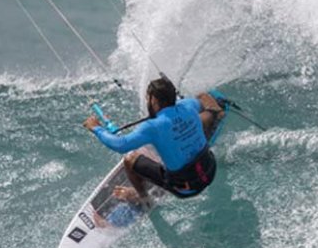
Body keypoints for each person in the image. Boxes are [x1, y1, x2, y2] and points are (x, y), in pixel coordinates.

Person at [83, 77, 224, 205]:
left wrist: (97, 128)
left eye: (147, 98)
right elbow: (200, 100)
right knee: (199, 119)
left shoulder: (152, 127)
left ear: (154, 101)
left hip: (186, 188)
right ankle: (216, 112)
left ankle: (142, 198)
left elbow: (121, 145)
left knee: (130, 159)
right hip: (210, 170)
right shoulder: (188, 105)